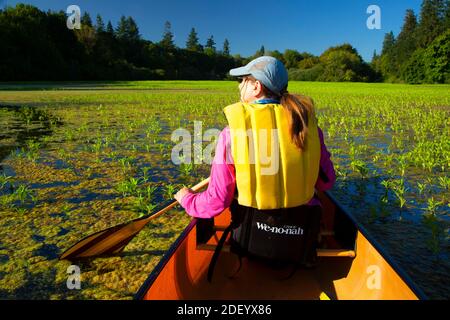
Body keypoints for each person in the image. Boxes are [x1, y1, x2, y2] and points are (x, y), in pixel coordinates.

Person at [174, 56, 335, 272]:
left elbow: (217, 201)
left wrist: (187, 200)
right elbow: (327, 182)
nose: (240, 86)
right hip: (300, 239)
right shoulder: (310, 130)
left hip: (253, 241)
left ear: (256, 86)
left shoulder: (231, 135)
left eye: (243, 80)